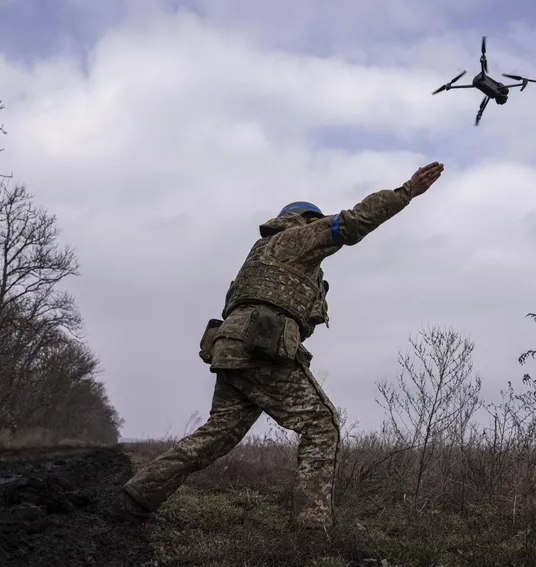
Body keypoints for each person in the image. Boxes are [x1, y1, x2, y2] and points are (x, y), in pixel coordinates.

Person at [113, 161, 446, 530]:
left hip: (232, 348)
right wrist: (405, 193)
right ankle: (312, 528)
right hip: (260, 347)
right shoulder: (294, 239)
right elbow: (351, 223)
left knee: (216, 435)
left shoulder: (258, 256)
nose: (319, 229)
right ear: (304, 221)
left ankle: (138, 495)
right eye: (315, 222)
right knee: (321, 424)